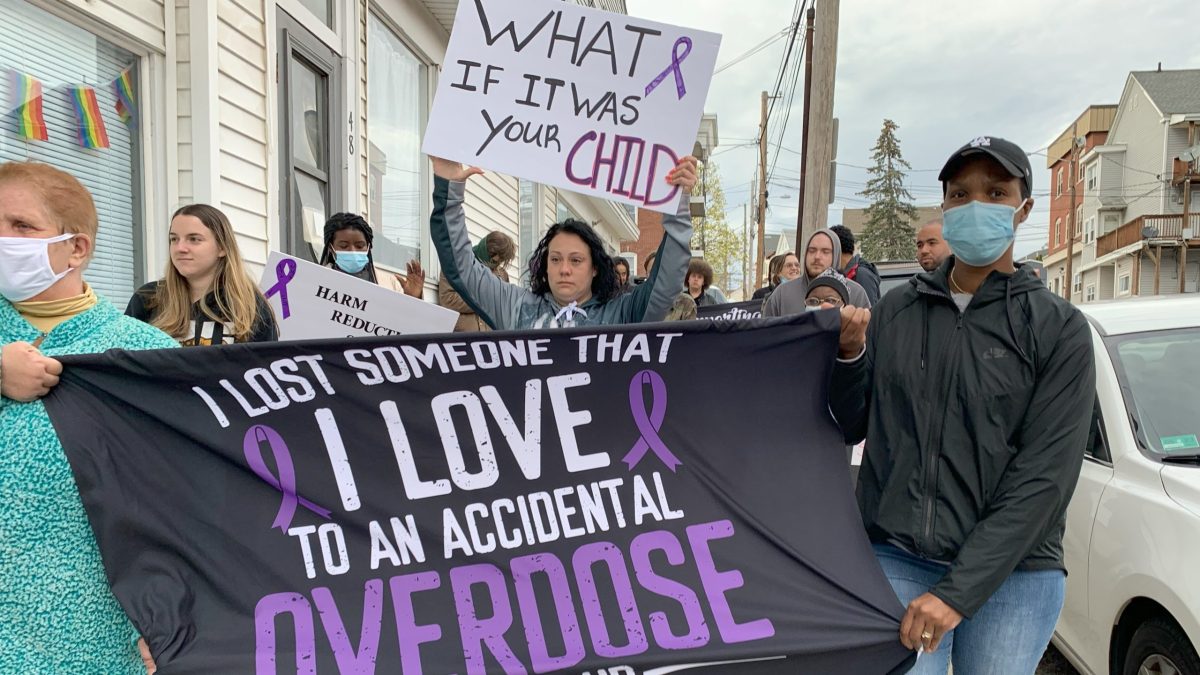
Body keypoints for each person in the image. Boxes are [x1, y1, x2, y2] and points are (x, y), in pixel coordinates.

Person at [828, 136, 1095, 674]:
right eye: (960, 193)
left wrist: (957, 592)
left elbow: (1045, 478)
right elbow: (852, 423)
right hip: (899, 555)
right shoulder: (897, 310)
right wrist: (850, 358)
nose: (976, 205)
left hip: (1016, 573)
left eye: (996, 192)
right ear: (945, 207)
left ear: (1024, 209)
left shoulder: (1058, 330)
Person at [0, 161, 177, 674]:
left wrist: (175, 612)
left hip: (93, 633)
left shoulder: (145, 354)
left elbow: (184, 499)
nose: (3, 238)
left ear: (76, 248)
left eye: (21, 226)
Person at [430, 155, 698, 328]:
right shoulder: (516, 307)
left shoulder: (623, 314)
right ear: (545, 266)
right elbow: (462, 268)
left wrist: (677, 205)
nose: (564, 269)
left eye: (576, 260)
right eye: (555, 259)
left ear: (595, 268)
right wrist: (449, 189)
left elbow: (665, 283)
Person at [126, 204, 277, 345]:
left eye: (194, 239)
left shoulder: (249, 305)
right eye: (174, 239)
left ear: (222, 248)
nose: (180, 248)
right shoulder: (147, 299)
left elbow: (266, 367)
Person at [763, 228, 871, 316]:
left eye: (825, 251)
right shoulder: (782, 294)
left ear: (836, 255)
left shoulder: (856, 293)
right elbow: (765, 336)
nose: (817, 257)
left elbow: (866, 338)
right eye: (812, 250)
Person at [318, 212, 425, 298]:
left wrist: (413, 298)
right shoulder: (316, 280)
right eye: (344, 246)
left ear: (369, 247)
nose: (352, 251)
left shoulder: (390, 284)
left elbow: (406, 320)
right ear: (330, 248)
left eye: (360, 246)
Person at [438, 231, 515, 332]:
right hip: (462, 340)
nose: (495, 261)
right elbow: (448, 300)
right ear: (485, 247)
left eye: (500, 260)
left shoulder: (502, 275)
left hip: (491, 341)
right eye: (493, 255)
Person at [830, 225, 881, 305]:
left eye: (827, 251)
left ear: (837, 249)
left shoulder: (862, 275)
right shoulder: (846, 274)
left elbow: (869, 312)